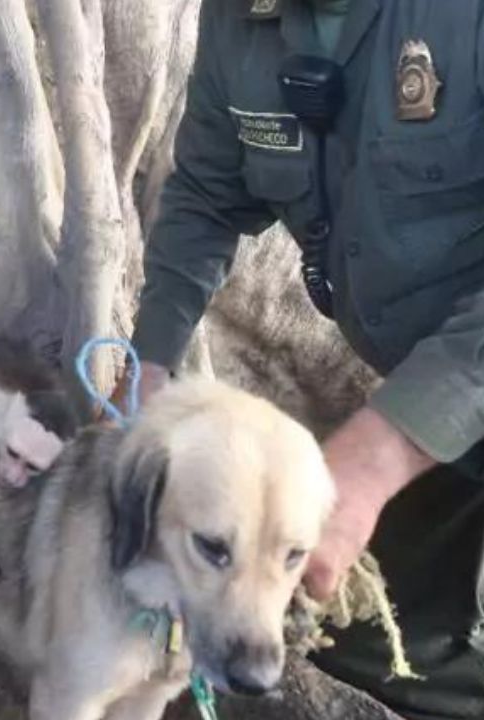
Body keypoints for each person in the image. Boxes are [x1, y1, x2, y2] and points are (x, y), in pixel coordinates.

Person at [114, 0, 484, 718]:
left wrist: (376, 458)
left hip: (436, 410)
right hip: (448, 427)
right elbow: (205, 195)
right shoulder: (242, 19)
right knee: (348, 634)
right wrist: (148, 363)